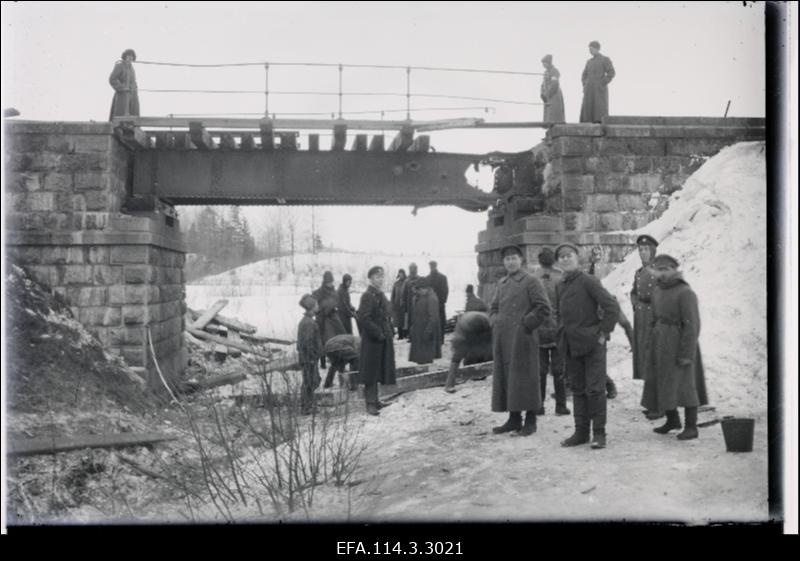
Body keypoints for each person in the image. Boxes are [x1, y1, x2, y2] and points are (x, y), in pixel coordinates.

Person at [554, 243, 619, 450]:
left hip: (592, 345)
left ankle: (599, 434)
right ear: (558, 262)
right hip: (571, 346)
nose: (565, 259)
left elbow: (612, 307)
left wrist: (602, 333)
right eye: (561, 257)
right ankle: (581, 432)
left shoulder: (589, 281)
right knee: (578, 389)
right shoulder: (560, 285)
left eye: (569, 255)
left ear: (577, 258)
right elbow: (559, 313)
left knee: (595, 390)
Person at [642, 254, 708, 441]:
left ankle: (691, 426)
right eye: (658, 270)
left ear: (674, 270)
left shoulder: (685, 292)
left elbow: (693, 325)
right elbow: (653, 319)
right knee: (662, 381)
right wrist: (650, 341)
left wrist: (687, 353)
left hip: (679, 342)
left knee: (686, 385)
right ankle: (672, 421)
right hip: (660, 342)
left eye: (665, 270)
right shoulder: (657, 291)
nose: (661, 274)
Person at [490, 244, 551, 437]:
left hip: (524, 338)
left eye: (514, 258)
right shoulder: (502, 283)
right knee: (509, 377)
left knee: (527, 378)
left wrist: (526, 325)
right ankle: (514, 418)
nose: (510, 262)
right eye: (507, 259)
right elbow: (493, 307)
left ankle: (531, 420)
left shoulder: (531, 281)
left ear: (521, 260)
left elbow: (543, 308)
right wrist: (495, 321)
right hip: (504, 339)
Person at [533, 248, 570, 416]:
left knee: (540, 371)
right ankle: (560, 406)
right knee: (559, 371)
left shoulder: (533, 277)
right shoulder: (561, 276)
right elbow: (566, 304)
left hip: (539, 329)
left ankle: (539, 405)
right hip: (558, 329)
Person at [356, 266, 397, 416]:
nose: (380, 279)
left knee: (379, 369)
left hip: (382, 337)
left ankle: (376, 400)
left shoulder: (380, 295)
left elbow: (386, 313)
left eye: (382, 277)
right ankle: (370, 404)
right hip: (373, 339)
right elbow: (364, 318)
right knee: (370, 371)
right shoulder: (367, 296)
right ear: (371, 279)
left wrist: (390, 329)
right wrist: (378, 333)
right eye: (377, 277)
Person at [631, 235, 662, 419]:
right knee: (646, 359)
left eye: (646, 249)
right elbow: (634, 292)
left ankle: (659, 406)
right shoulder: (638, 272)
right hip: (642, 319)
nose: (643, 253)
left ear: (653, 251)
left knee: (655, 360)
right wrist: (636, 305)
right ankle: (650, 402)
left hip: (655, 318)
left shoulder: (660, 270)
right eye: (640, 250)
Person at [444, 311, 493, 393]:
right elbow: (456, 357)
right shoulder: (464, 331)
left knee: (489, 349)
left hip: (485, 326)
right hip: (468, 326)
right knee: (458, 355)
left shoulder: (488, 327)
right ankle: (449, 384)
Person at [312, 271, 346, 368]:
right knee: (323, 340)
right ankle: (323, 363)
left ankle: (337, 359)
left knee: (340, 335)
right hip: (323, 319)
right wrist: (323, 308)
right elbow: (313, 303)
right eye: (328, 281)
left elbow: (337, 300)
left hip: (333, 316)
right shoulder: (319, 291)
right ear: (325, 281)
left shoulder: (334, 291)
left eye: (331, 281)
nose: (330, 283)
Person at [296, 294, 323, 415]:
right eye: (316, 304)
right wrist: (312, 357)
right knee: (310, 382)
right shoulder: (308, 323)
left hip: (309, 358)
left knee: (312, 381)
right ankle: (306, 407)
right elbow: (307, 343)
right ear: (312, 307)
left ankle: (308, 405)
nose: (318, 306)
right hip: (309, 358)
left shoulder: (308, 321)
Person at [408, 278, 442, 365]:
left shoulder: (432, 298)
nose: (417, 292)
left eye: (418, 290)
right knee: (420, 359)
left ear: (424, 288)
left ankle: (425, 375)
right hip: (419, 331)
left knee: (426, 359)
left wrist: (428, 332)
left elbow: (434, 318)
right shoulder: (421, 297)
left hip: (426, 333)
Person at [579, 40, 615, 124]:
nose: (590, 50)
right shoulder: (589, 62)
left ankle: (599, 122)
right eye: (589, 49)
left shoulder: (605, 59)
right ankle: (587, 122)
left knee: (599, 110)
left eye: (592, 48)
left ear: (597, 49)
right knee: (587, 111)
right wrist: (585, 84)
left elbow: (611, 72)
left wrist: (602, 83)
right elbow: (584, 75)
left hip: (599, 90)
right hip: (589, 89)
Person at [109, 49, 140, 120]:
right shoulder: (119, 65)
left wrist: (135, 87)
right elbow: (112, 79)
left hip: (132, 95)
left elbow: (133, 81)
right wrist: (122, 87)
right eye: (128, 56)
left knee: (133, 115)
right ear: (125, 56)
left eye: (132, 56)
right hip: (122, 96)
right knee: (120, 116)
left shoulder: (131, 68)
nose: (130, 58)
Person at [427, 261, 449, 340]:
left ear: (436, 266)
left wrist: (442, 301)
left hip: (440, 303)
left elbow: (445, 291)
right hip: (431, 304)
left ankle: (441, 338)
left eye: (433, 266)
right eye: (431, 266)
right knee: (433, 321)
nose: (432, 268)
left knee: (441, 321)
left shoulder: (442, 278)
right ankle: (435, 338)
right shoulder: (427, 278)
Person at [540, 54, 565, 123]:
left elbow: (555, 84)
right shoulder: (545, 72)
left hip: (554, 94)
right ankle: (548, 123)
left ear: (548, 63)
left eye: (544, 63)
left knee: (554, 110)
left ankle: (557, 123)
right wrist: (542, 93)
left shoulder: (554, 71)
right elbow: (542, 84)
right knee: (549, 112)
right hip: (547, 94)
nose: (543, 65)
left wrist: (548, 94)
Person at [402, 263, 422, 337]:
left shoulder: (420, 279)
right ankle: (411, 334)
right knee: (410, 319)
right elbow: (403, 293)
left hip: (419, 303)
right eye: (411, 268)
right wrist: (403, 303)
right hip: (409, 304)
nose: (413, 270)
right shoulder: (406, 281)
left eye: (414, 268)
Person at [390, 269, 408, 339]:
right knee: (398, 321)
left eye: (402, 274)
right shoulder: (396, 284)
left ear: (404, 274)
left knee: (405, 320)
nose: (401, 276)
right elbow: (393, 295)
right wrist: (392, 304)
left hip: (404, 305)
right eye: (400, 274)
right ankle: (400, 335)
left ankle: (405, 334)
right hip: (397, 305)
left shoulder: (406, 282)